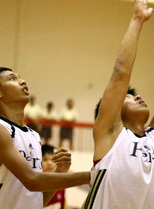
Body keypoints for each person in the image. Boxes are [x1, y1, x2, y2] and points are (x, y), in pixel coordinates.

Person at [82, 0, 154, 209]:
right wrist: (137, 20)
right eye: (129, 97)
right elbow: (120, 74)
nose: (138, 97)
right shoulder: (110, 133)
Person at [0, 67, 90, 209]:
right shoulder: (1, 129)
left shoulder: (34, 135)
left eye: (20, 77)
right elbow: (32, 180)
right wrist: (90, 177)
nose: (22, 82)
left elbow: (38, 200)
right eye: (12, 79)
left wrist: (60, 171)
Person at [42, 144, 67, 209]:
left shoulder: (62, 184)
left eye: (53, 160)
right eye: (45, 160)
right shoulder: (37, 185)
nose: (49, 163)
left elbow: (63, 204)